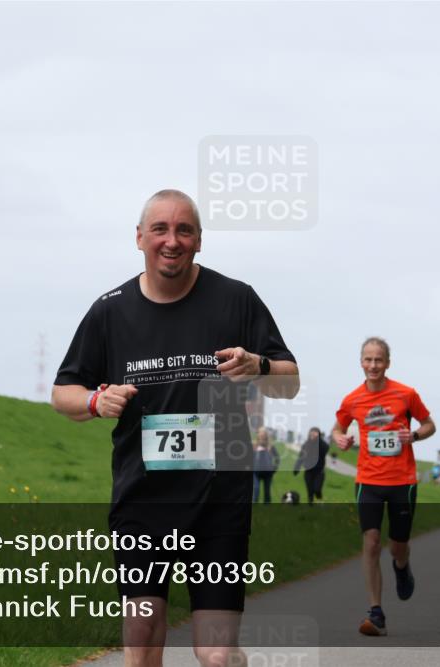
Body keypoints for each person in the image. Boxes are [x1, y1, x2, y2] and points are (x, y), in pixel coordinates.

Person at [51, 189, 299, 667]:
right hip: (143, 499)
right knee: (142, 635)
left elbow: (289, 381)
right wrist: (96, 400)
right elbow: (63, 393)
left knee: (216, 653)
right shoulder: (110, 310)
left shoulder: (236, 299)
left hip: (218, 499)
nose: (172, 240)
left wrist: (258, 364)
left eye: (184, 230)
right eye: (160, 229)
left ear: (199, 241)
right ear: (140, 238)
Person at [331, 337, 436, 637]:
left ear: (387, 363)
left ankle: (402, 567)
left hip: (402, 481)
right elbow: (338, 426)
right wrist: (340, 437)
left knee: (397, 546)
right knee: (372, 541)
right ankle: (376, 613)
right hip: (369, 481)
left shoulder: (406, 394)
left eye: (378, 360)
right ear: (361, 362)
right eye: (368, 359)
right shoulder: (352, 399)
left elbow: (430, 424)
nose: (373, 365)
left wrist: (414, 436)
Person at [293, 426, 330, 505]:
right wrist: (296, 468)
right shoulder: (306, 445)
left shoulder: (322, 445)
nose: (313, 434)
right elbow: (300, 458)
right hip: (308, 472)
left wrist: (318, 439)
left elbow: (326, 448)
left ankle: (320, 500)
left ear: (318, 434)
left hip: (319, 472)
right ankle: (311, 507)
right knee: (310, 491)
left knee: (317, 489)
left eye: (315, 432)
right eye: (311, 432)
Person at [252, 427, 281, 503]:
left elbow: (277, 458)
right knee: (256, 489)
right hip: (256, 472)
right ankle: (255, 506)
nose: (261, 435)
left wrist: (274, 468)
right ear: (258, 435)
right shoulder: (254, 445)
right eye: (259, 433)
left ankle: (267, 507)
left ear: (266, 435)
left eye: (263, 434)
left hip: (268, 472)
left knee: (267, 491)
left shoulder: (270, 446)